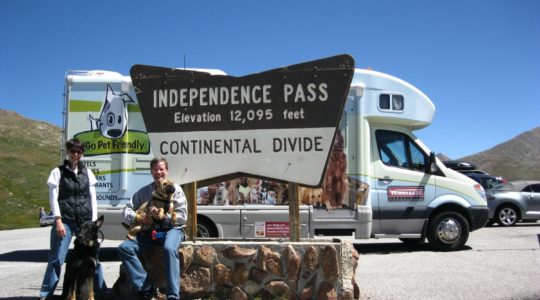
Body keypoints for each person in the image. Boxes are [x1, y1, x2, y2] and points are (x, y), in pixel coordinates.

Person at [39, 138, 107, 299]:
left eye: (79, 152)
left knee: (93, 259)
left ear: (82, 154)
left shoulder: (88, 172)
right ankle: (45, 295)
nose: (75, 154)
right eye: (72, 151)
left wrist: (94, 223)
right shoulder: (58, 172)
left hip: (85, 222)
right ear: (67, 152)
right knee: (57, 258)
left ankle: (99, 292)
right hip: (66, 221)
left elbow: (92, 197)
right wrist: (58, 220)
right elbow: (53, 198)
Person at [117, 157, 187, 300]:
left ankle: (173, 295)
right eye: (155, 169)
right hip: (151, 232)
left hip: (173, 230)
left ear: (166, 171)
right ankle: (145, 285)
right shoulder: (144, 192)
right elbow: (126, 210)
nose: (159, 172)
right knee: (124, 248)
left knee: (169, 248)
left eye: (161, 169)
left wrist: (164, 217)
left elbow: (183, 216)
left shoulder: (176, 190)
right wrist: (138, 218)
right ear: (151, 172)